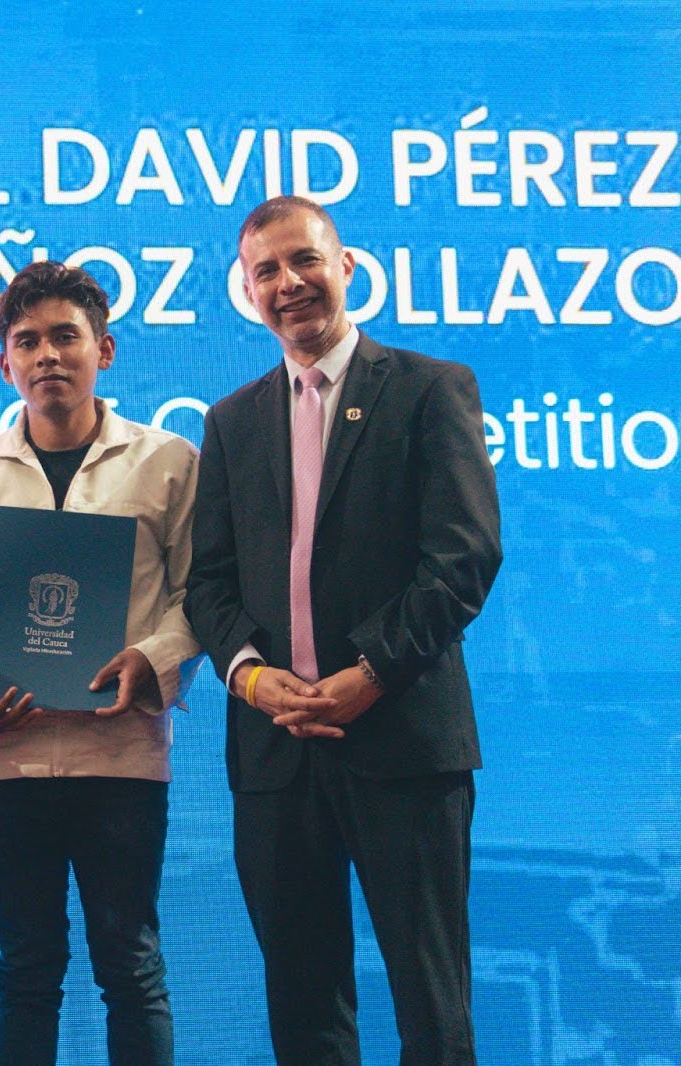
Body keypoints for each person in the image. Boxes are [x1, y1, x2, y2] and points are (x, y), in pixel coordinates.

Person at [185, 196, 503, 1066]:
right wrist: (251, 677)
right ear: (247, 293)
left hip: (402, 740)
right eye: (266, 273)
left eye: (305, 262)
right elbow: (206, 585)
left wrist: (369, 673)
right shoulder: (231, 421)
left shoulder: (431, 390)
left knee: (431, 1007)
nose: (288, 285)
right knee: (303, 1008)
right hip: (276, 753)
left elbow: (464, 560)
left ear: (348, 266)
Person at [0, 261, 200, 1065]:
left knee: (130, 967)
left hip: (122, 754)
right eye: (26, 341)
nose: (47, 356)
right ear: (6, 364)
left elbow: (200, 594)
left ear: (104, 349)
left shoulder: (168, 462)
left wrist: (155, 659)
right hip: (7, 761)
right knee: (27, 971)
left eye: (65, 337)